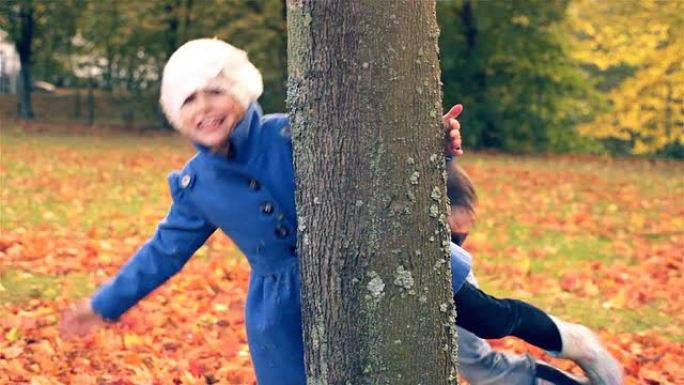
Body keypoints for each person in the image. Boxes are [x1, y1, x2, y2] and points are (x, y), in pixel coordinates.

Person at [59, 38, 621, 385]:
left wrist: (436, 140)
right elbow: (162, 254)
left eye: (215, 92)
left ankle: (575, 345)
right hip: (284, 303)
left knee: (486, 322)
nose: (205, 108)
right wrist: (104, 305)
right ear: (176, 117)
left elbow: (375, 149)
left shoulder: (293, 132)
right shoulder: (195, 186)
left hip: (376, 258)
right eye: (189, 100)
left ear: (243, 92)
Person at [446, 163, 623, 385]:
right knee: (480, 366)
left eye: (460, 237)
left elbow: (489, 317)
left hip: (447, 265)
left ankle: (577, 342)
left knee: (485, 339)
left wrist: (448, 136)